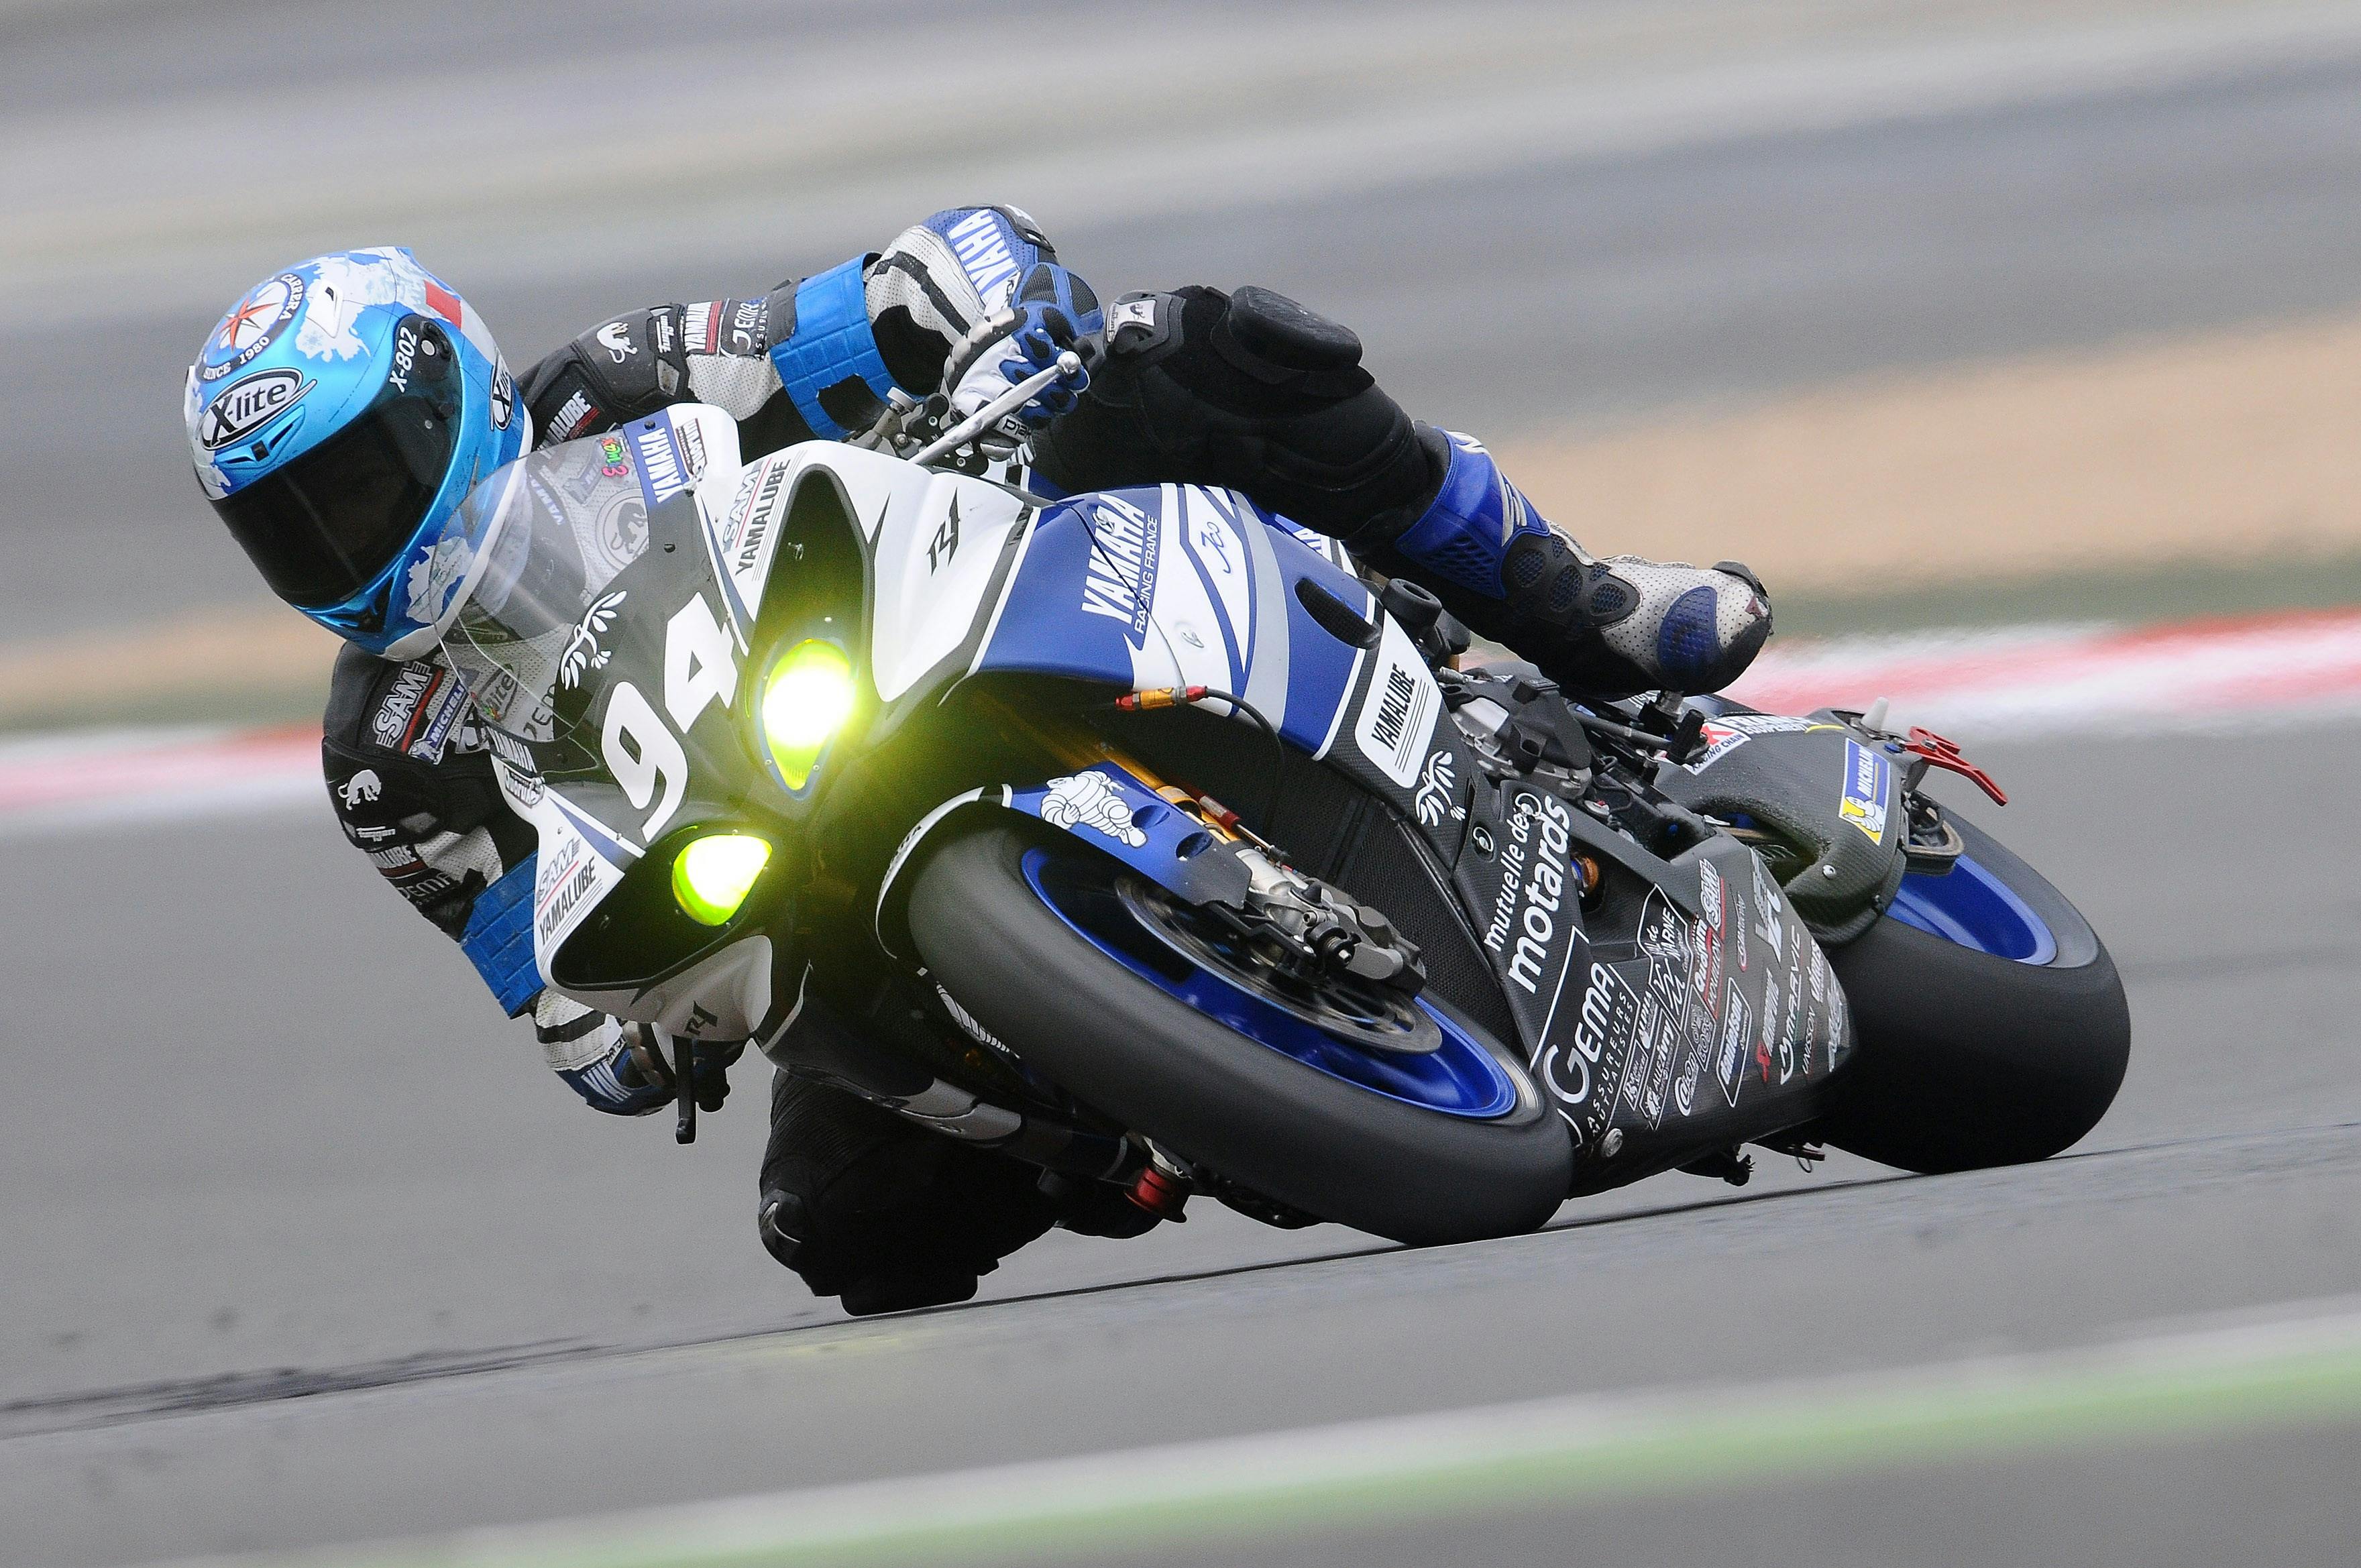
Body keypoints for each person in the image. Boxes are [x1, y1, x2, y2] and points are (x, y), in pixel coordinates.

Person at [185, 209, 1771, 1314]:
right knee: (836, 1232)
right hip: (807, 894)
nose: (356, 531)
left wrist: (982, 315)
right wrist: (652, 1027)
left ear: (451, 387)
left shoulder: (619, 382)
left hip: (962, 590)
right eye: (299, 522)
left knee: (1206, 348)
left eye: (365, 474)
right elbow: (557, 1014)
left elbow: (903, 285)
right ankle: (1158, 1103)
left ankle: (1582, 612)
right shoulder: (388, 762)